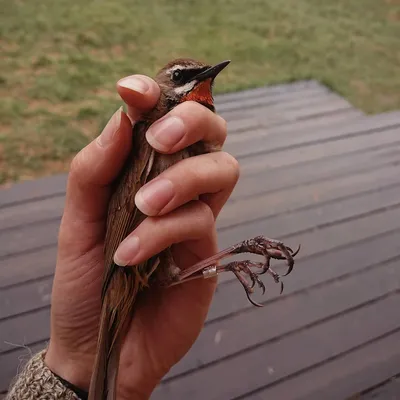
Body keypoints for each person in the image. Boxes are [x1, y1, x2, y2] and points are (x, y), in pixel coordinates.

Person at [7, 73, 239, 399]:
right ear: (165, 89)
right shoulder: (146, 135)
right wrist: (74, 366)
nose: (200, 79)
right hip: (121, 269)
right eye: (181, 77)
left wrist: (217, 264)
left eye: (201, 77)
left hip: (140, 273)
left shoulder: (181, 141)